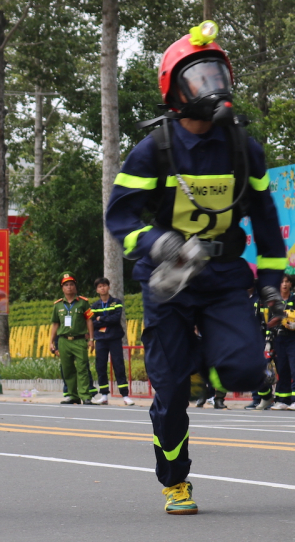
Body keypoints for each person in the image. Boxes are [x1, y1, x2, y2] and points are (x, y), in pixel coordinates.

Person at [105, 21, 285, 514]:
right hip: (168, 284)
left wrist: (272, 287)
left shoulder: (243, 148)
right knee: (170, 394)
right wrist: (157, 241)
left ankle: (200, 371)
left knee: (248, 369)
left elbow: (267, 225)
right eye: (199, 78)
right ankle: (175, 481)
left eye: (217, 75)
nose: (212, 87)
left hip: (224, 278)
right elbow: (119, 218)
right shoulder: (153, 150)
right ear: (175, 93)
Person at [49, 272, 95, 405]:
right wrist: (51, 342)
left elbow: (89, 321)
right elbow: (55, 324)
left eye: (71, 284)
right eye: (66, 285)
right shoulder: (58, 305)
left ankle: (85, 396)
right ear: (62, 288)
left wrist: (91, 339)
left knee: (82, 368)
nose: (69, 287)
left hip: (79, 340)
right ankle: (73, 395)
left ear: (75, 287)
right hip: (63, 340)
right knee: (67, 369)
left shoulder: (83, 303)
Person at [90, 278, 134, 406]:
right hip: (100, 339)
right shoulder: (94, 306)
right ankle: (104, 395)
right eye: (100, 287)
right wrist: (103, 320)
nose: (102, 288)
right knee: (100, 366)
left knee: (119, 365)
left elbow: (116, 319)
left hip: (114, 338)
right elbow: (92, 322)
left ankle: (125, 395)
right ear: (97, 290)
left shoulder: (116, 302)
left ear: (109, 287)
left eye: (104, 286)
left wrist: (101, 319)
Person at [269, 274, 295, 410]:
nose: (284, 284)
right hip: (279, 338)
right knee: (282, 368)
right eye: (282, 282)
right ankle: (283, 400)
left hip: (293, 338)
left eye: (287, 282)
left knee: (294, 368)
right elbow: (268, 320)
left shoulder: (294, 299)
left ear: (291, 284)